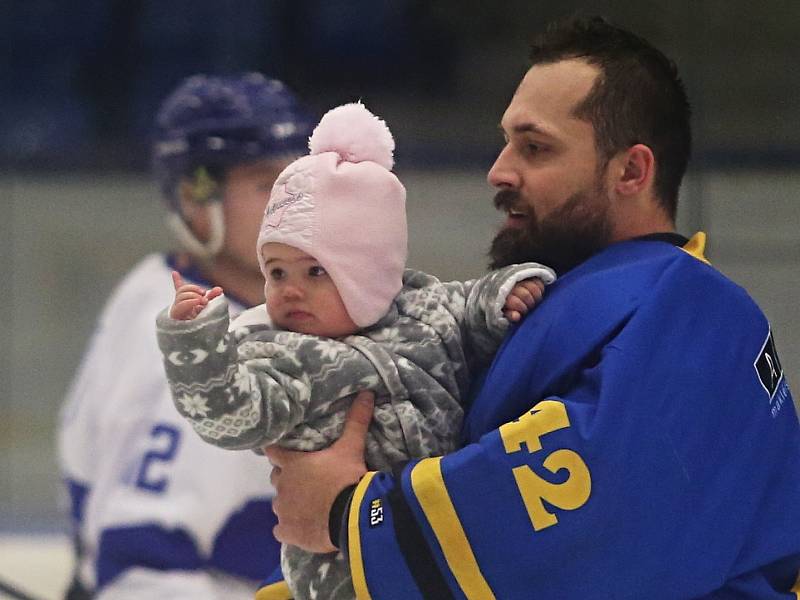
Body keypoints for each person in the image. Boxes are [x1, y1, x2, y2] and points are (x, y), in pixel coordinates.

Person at [262, 16, 800, 599]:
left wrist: (349, 513)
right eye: (506, 141)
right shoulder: (558, 301)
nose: (499, 170)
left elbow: (597, 509)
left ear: (632, 171)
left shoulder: (697, 310)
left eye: (535, 147)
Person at [155, 102, 554, 600]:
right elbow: (225, 416)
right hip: (341, 576)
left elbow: (472, 304)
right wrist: (195, 344)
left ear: (370, 271)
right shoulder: (278, 354)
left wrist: (507, 293)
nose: (290, 290)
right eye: (276, 272)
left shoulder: (423, 310)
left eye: (315, 271)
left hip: (440, 548)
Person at [56, 72, 316, 599]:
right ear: (196, 202)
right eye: (268, 184)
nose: (299, 204)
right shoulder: (189, 347)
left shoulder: (175, 289)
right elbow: (141, 570)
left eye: (301, 180)